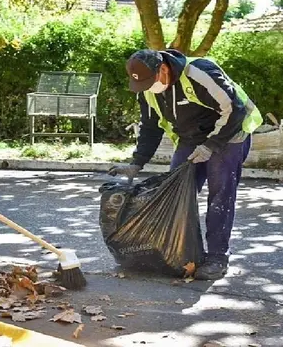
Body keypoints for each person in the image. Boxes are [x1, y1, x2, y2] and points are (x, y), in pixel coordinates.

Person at [108, 49, 262, 280]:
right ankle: (177, 252)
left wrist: (211, 146)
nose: (150, 87)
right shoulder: (147, 89)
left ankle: (218, 257)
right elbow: (151, 127)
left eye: (152, 81)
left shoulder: (199, 72)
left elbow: (235, 110)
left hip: (230, 134)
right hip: (191, 137)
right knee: (175, 192)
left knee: (220, 194)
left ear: (163, 69)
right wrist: (137, 163)